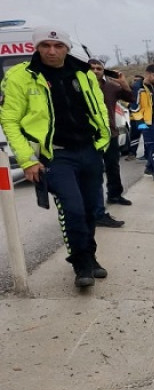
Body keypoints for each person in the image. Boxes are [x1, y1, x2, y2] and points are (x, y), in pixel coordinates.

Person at [0, 26, 111, 287]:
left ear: (67, 48)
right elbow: (9, 120)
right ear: (36, 47)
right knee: (72, 209)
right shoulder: (19, 76)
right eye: (45, 46)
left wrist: (102, 143)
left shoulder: (84, 73)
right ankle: (81, 264)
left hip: (89, 150)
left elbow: (99, 108)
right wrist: (27, 159)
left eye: (58, 45)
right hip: (56, 156)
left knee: (90, 209)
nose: (51, 51)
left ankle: (91, 257)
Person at [88, 59, 134, 228]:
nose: (95, 71)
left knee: (113, 166)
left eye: (99, 68)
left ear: (103, 71)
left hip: (110, 134)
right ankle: (95, 208)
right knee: (94, 171)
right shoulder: (79, 86)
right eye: (91, 68)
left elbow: (130, 98)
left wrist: (123, 83)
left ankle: (115, 194)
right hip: (90, 137)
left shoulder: (111, 87)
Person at [124, 74, 144, 161]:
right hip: (133, 118)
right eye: (134, 80)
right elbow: (124, 101)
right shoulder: (130, 91)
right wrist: (129, 105)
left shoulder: (144, 91)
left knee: (147, 136)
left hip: (143, 119)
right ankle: (132, 153)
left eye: (138, 80)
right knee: (134, 136)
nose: (135, 82)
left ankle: (148, 154)